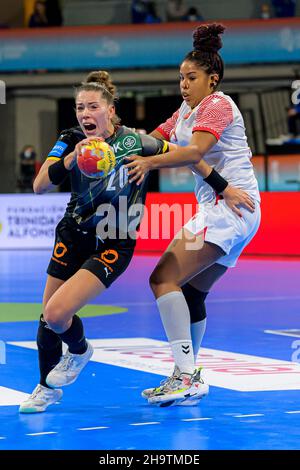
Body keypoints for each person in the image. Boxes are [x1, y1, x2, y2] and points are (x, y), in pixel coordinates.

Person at [19, 70, 177, 414]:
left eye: (92, 106)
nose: (85, 114)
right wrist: (72, 157)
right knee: (49, 319)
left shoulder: (135, 142)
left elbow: (185, 154)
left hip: (113, 241)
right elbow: (40, 185)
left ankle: (78, 351)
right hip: (72, 234)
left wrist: (153, 162)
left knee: (58, 313)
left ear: (110, 109)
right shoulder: (70, 138)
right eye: (80, 108)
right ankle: (47, 387)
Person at [126, 23, 261, 406]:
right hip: (228, 209)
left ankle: (184, 375)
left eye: (192, 77)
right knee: (190, 291)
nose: (184, 84)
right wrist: (119, 139)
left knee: (162, 277)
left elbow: (191, 153)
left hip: (229, 208)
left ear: (212, 79)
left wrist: (148, 163)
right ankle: (189, 375)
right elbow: (156, 137)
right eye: (181, 78)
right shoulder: (186, 110)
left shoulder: (217, 105)